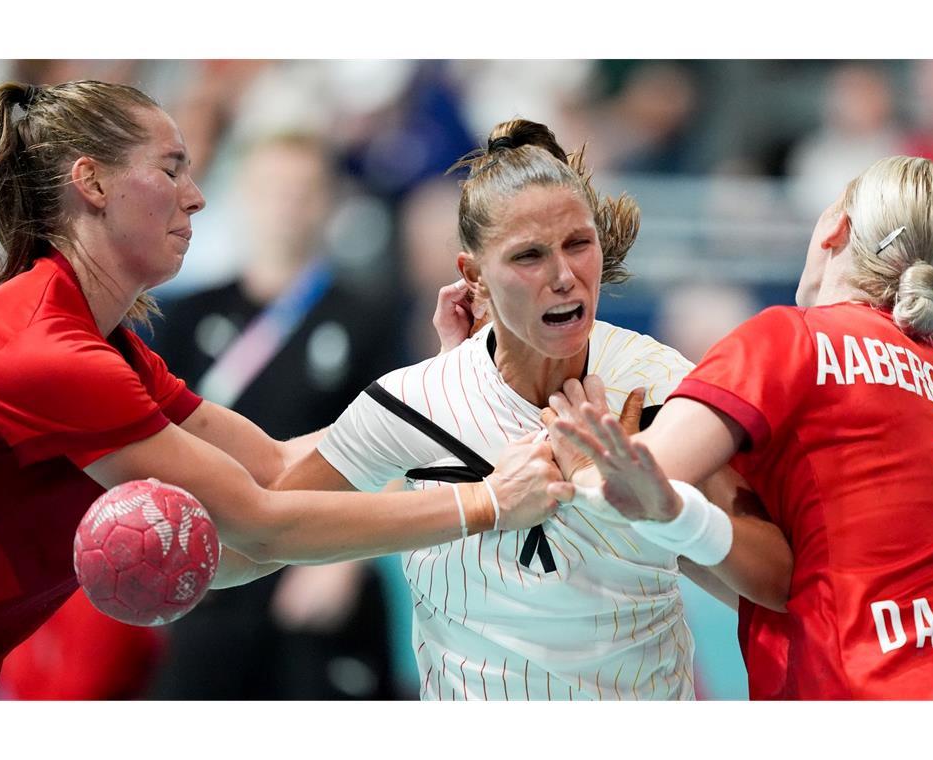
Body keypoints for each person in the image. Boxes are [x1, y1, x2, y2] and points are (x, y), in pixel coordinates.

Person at [0, 80, 560, 700]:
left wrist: (444, 387)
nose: (195, 199)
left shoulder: (95, 339)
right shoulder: (49, 353)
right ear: (92, 182)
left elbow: (274, 466)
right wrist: (488, 505)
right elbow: (262, 524)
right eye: (170, 170)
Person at [274, 119, 791, 700]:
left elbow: (774, 582)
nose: (565, 277)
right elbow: (269, 527)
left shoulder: (661, 384)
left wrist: (650, 503)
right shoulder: (419, 399)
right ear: (473, 277)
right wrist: (482, 502)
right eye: (529, 256)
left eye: (578, 244)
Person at [548, 155, 933, 699]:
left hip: (888, 692)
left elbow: (639, 486)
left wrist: (586, 467)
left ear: (834, 226)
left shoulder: (791, 337)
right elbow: (804, 579)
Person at [145, 133, 403, 700]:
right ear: (241, 196)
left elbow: (400, 440)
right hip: (212, 568)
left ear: (330, 202)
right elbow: (152, 438)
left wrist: (348, 560)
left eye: (303, 191)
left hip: (322, 558)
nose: (286, 205)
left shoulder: (371, 314)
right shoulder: (185, 314)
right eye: (271, 190)